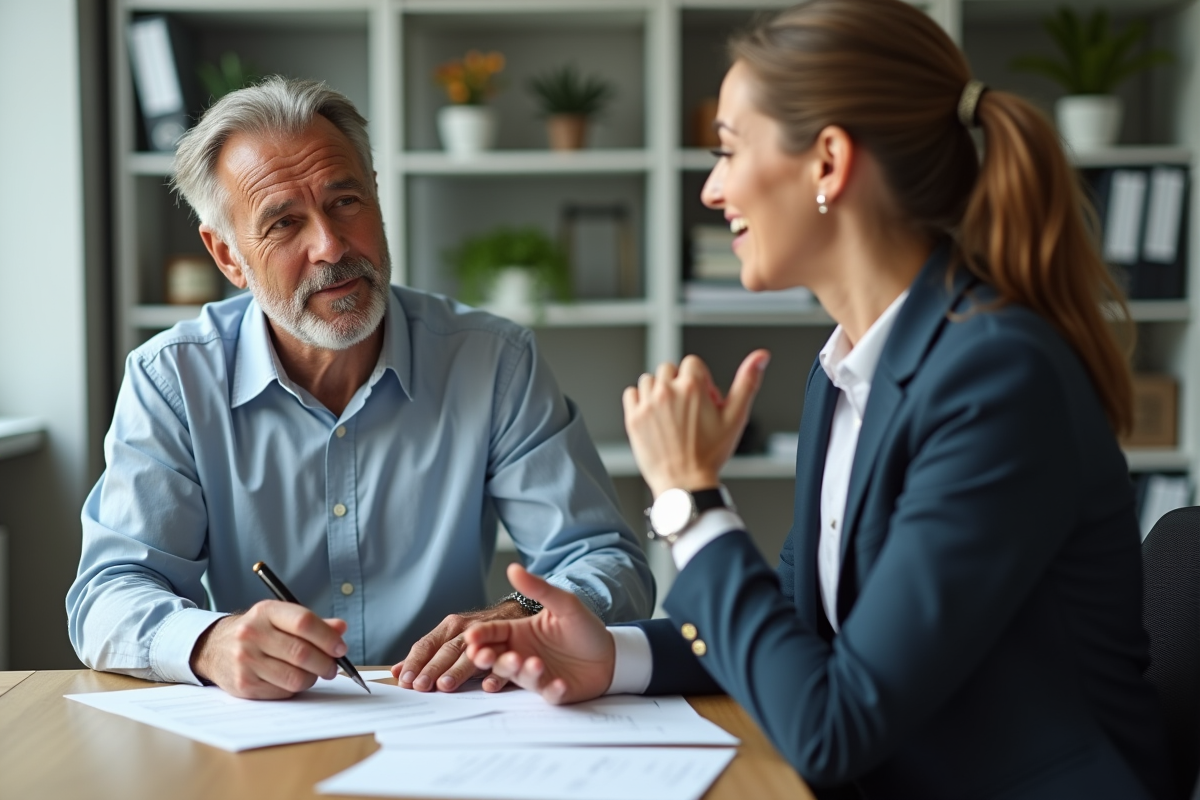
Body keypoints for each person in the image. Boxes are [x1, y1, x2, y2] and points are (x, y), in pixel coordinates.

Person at [462, 1, 1173, 798]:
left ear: (829, 162)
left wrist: (691, 502)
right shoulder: (848, 369)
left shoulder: (997, 378)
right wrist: (618, 657)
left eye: (728, 151)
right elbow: (811, 631)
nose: (711, 190)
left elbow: (835, 725)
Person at [67, 77, 653, 701]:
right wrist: (210, 642)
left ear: (376, 195)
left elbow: (607, 562)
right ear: (229, 257)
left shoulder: (493, 360)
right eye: (284, 223)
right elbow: (108, 593)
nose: (331, 246)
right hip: (267, 738)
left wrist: (522, 612)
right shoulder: (172, 379)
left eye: (345, 202)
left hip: (451, 718)